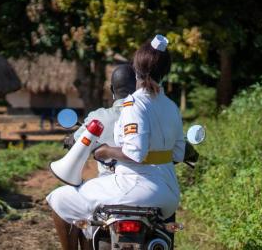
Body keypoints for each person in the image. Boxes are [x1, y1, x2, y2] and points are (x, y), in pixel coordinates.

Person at [46, 35, 185, 250]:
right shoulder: (171, 107)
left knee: (59, 197)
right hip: (168, 195)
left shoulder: (134, 104)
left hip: (134, 187)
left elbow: (136, 153)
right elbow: (177, 155)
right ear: (165, 73)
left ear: (137, 70)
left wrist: (105, 151)